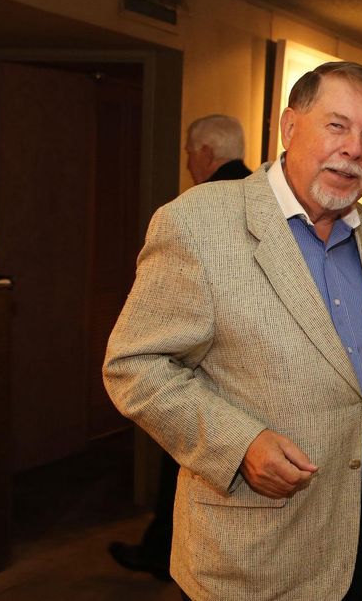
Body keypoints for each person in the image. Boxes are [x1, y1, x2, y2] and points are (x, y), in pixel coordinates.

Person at [104, 61, 362, 600]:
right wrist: (238, 445)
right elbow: (135, 366)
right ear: (289, 127)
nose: (354, 148)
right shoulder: (197, 222)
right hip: (251, 559)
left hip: (359, 554)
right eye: (337, 125)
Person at [108, 114, 251, 582]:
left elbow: (137, 361)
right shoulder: (254, 203)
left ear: (206, 153)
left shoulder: (196, 211)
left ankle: (160, 552)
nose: (189, 162)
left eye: (190, 153)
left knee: (186, 466)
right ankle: (159, 550)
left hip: (213, 387)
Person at [183, 114, 252, 184]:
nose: (187, 166)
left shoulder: (208, 193)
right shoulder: (260, 187)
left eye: (190, 153)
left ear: (207, 155)